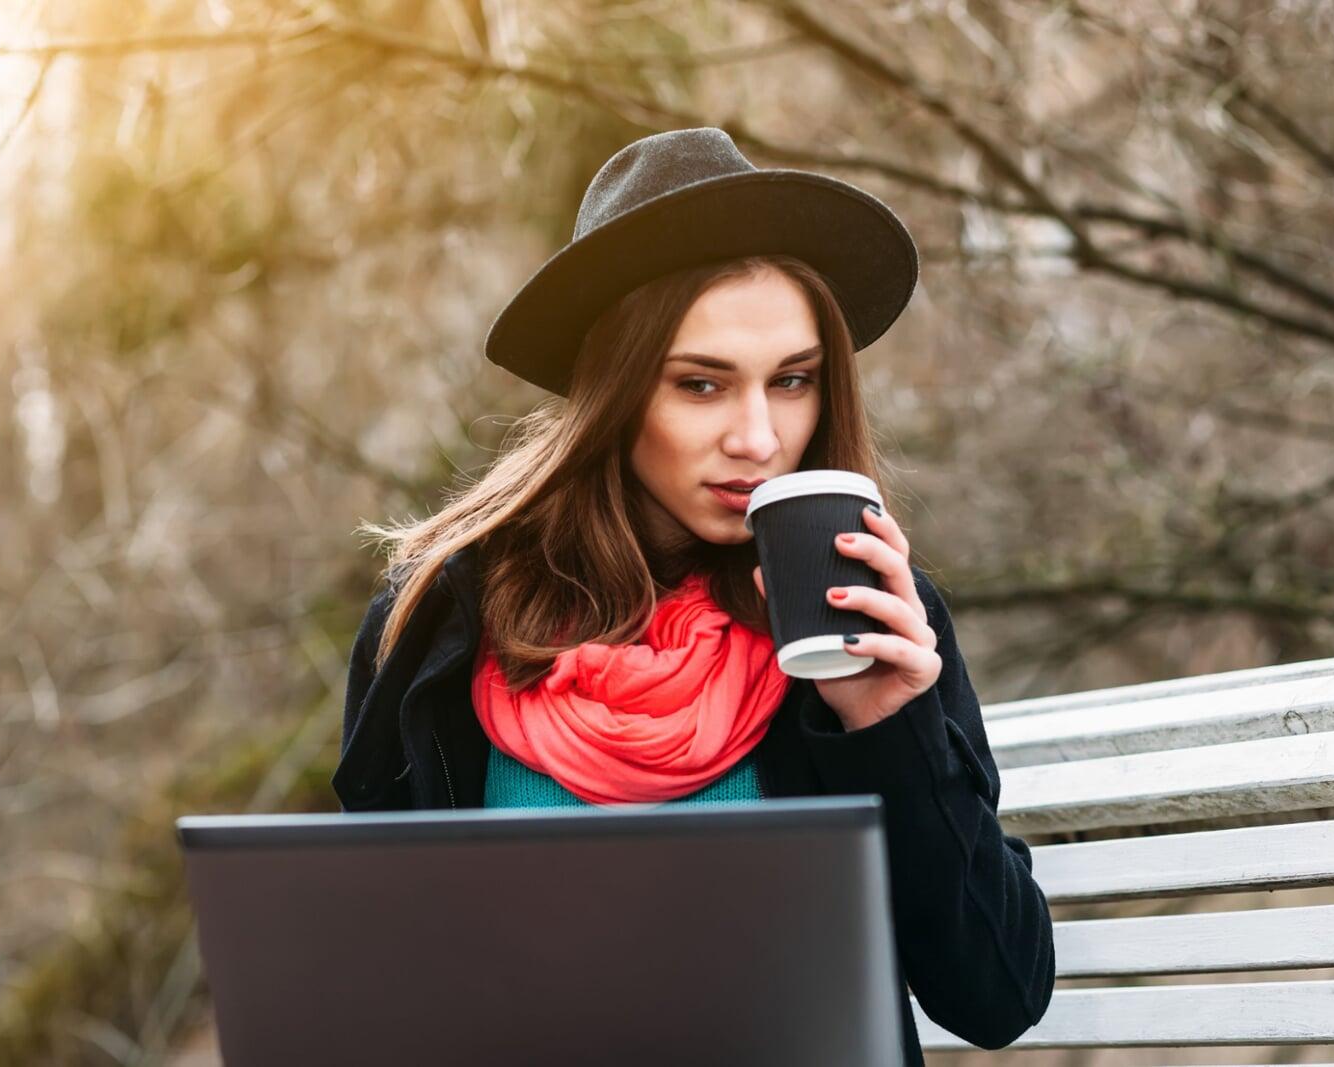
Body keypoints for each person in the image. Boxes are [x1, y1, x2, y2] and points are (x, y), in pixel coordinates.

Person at [334, 126, 1055, 1064]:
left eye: (792, 380)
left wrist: (892, 729)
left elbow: (996, 996)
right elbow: (376, 978)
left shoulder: (869, 609)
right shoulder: (440, 617)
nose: (758, 436)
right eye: (702, 384)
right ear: (618, 391)